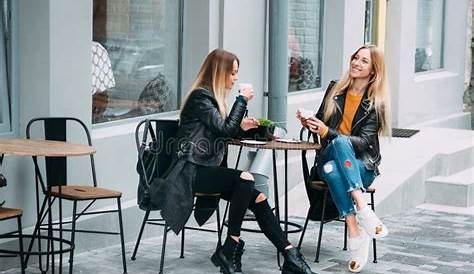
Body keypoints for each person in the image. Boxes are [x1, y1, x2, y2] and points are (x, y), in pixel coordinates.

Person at [151, 49, 317, 274]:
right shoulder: (200, 98)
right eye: (233, 73)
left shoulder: (212, 100)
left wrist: (241, 127)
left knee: (257, 196)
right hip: (189, 172)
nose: (236, 78)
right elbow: (224, 129)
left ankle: (290, 255)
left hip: (205, 169)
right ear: (220, 73)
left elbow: (222, 132)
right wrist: (241, 100)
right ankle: (231, 246)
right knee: (245, 179)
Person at [297, 44, 390, 273]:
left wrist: (328, 133)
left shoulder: (375, 103)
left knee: (331, 169)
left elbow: (365, 143)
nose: (356, 63)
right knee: (337, 146)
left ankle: (355, 232)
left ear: (374, 71)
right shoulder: (334, 90)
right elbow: (321, 124)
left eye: (364, 61)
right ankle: (363, 209)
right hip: (330, 152)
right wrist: (309, 124)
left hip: (362, 165)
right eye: (355, 58)